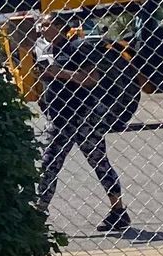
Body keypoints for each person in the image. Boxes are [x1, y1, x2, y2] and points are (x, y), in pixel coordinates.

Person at [34, 13, 135, 235]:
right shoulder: (45, 50)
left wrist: (58, 73)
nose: (41, 29)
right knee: (48, 164)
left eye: (46, 25)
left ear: (61, 27)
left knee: (98, 162)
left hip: (83, 117)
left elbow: (91, 78)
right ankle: (39, 213)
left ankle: (118, 210)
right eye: (39, 25)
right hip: (59, 118)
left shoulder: (78, 48)